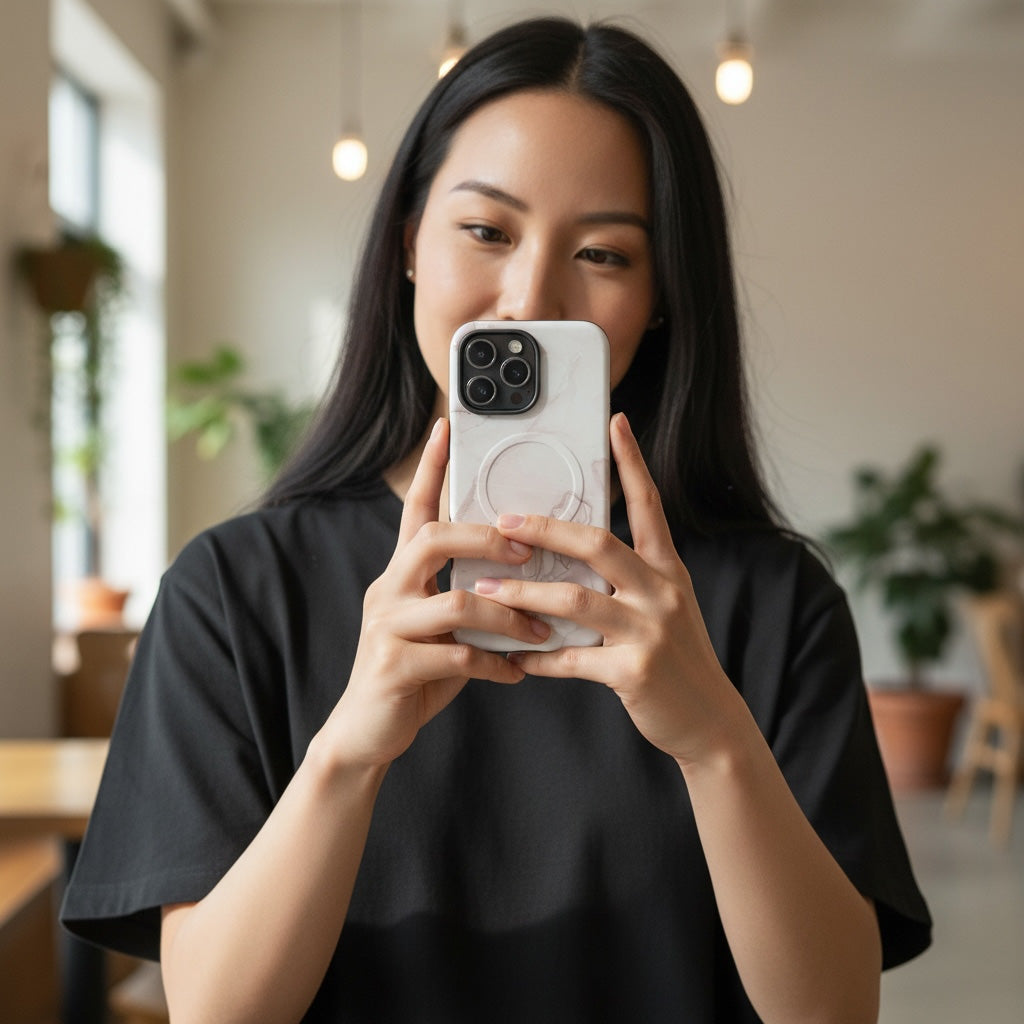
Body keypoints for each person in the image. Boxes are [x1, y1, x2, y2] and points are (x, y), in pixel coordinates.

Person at [62, 16, 931, 1023]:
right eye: (485, 231)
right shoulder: (232, 592)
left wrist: (714, 741)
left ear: (660, 298)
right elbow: (216, 1013)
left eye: (603, 252)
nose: (528, 297)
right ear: (406, 244)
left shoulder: (773, 602)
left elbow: (832, 1013)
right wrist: (348, 751)